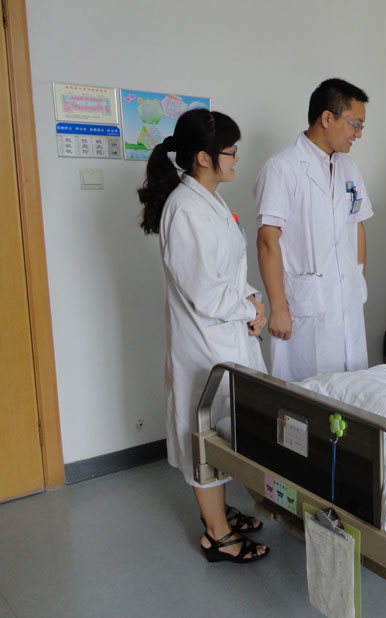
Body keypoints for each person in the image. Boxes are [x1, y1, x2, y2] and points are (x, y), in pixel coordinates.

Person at [138, 109, 269, 563]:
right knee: (204, 434)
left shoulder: (208, 201)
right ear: (203, 157)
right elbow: (204, 291)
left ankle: (220, 512)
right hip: (204, 343)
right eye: (230, 151)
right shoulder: (185, 209)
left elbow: (227, 273)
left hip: (225, 336)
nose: (236, 158)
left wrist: (252, 300)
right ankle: (217, 535)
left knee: (223, 428)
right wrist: (247, 307)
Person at [255, 78, 373, 381]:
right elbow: (268, 240)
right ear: (327, 118)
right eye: (355, 124)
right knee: (305, 394)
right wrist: (278, 307)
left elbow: (356, 225)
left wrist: (358, 278)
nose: (358, 134)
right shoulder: (282, 167)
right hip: (304, 306)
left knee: (352, 391)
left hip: (346, 299)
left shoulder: (349, 169)